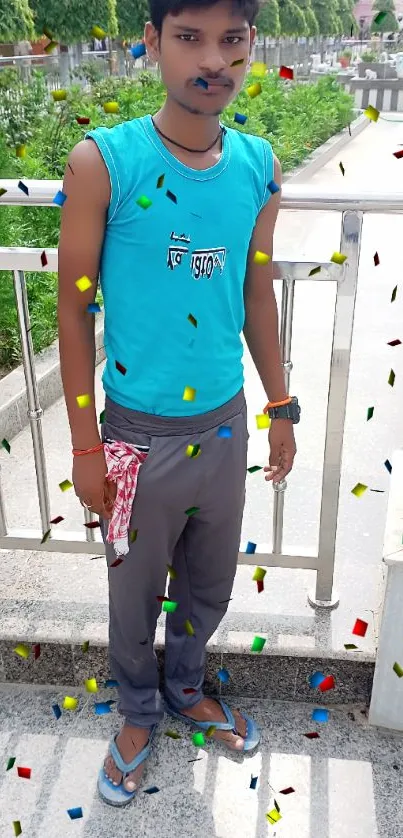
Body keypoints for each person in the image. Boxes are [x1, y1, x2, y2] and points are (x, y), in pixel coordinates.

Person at [57, 0, 299, 809]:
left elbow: (254, 293)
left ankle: (185, 686)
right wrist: (87, 448)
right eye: (189, 38)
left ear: (250, 48)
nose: (212, 61)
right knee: (133, 588)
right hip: (133, 433)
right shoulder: (104, 163)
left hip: (224, 424)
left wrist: (281, 407)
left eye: (231, 41)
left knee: (207, 580)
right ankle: (133, 712)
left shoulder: (258, 165)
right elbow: (73, 306)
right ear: (152, 42)